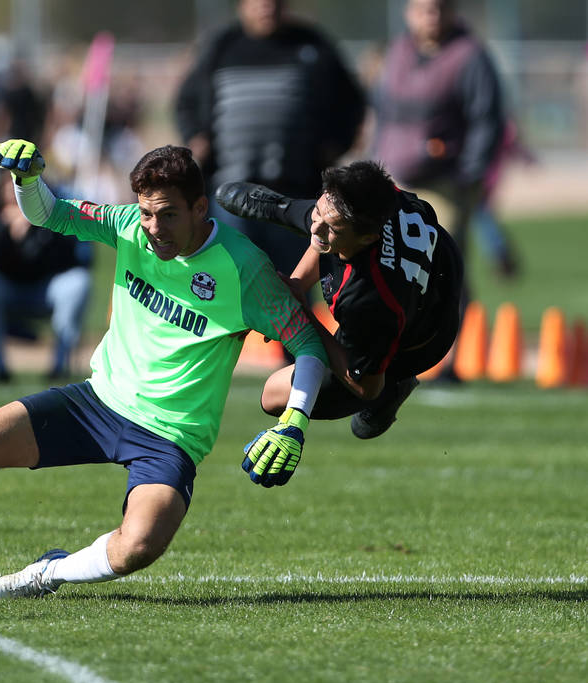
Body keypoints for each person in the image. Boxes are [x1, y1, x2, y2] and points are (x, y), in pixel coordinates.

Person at [0, 139, 329, 601]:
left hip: (170, 435)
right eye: (146, 213)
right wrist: (28, 180)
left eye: (168, 214)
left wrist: (293, 421)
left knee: (139, 545)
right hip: (97, 403)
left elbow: (308, 343)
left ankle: (48, 573)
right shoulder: (127, 226)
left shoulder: (244, 269)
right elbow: (49, 214)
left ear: (200, 207)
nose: (154, 228)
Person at [215, 160, 464, 439]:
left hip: (420, 340)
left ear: (368, 238)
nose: (316, 228)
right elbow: (326, 223)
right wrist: (295, 286)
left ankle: (393, 387)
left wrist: (300, 314)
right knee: (318, 225)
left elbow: (365, 387)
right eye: (319, 211)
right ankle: (280, 205)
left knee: (273, 394)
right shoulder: (372, 198)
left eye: (333, 228)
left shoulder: (368, 298)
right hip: (438, 270)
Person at [174, 0, 365, 276]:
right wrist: (195, 137)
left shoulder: (312, 45)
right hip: (231, 195)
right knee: (233, 284)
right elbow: (186, 101)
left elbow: (351, 101)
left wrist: (337, 143)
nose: (267, 6)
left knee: (293, 288)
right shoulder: (222, 46)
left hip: (294, 197)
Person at [371, 0, 505, 378]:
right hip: (395, 181)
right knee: (396, 270)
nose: (431, 16)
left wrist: (472, 171)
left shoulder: (469, 56)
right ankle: (402, 355)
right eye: (423, 8)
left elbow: (487, 119)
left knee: (442, 271)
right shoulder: (398, 51)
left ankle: (455, 358)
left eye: (440, 8)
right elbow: (383, 113)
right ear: (408, 12)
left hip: (446, 183)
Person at [0, 173, 93, 382]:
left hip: (46, 288)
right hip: (3, 289)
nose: (17, 194)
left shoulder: (58, 208)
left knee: (78, 282)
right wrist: (4, 227)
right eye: (12, 188)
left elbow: (72, 259)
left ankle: (58, 367)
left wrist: (40, 224)